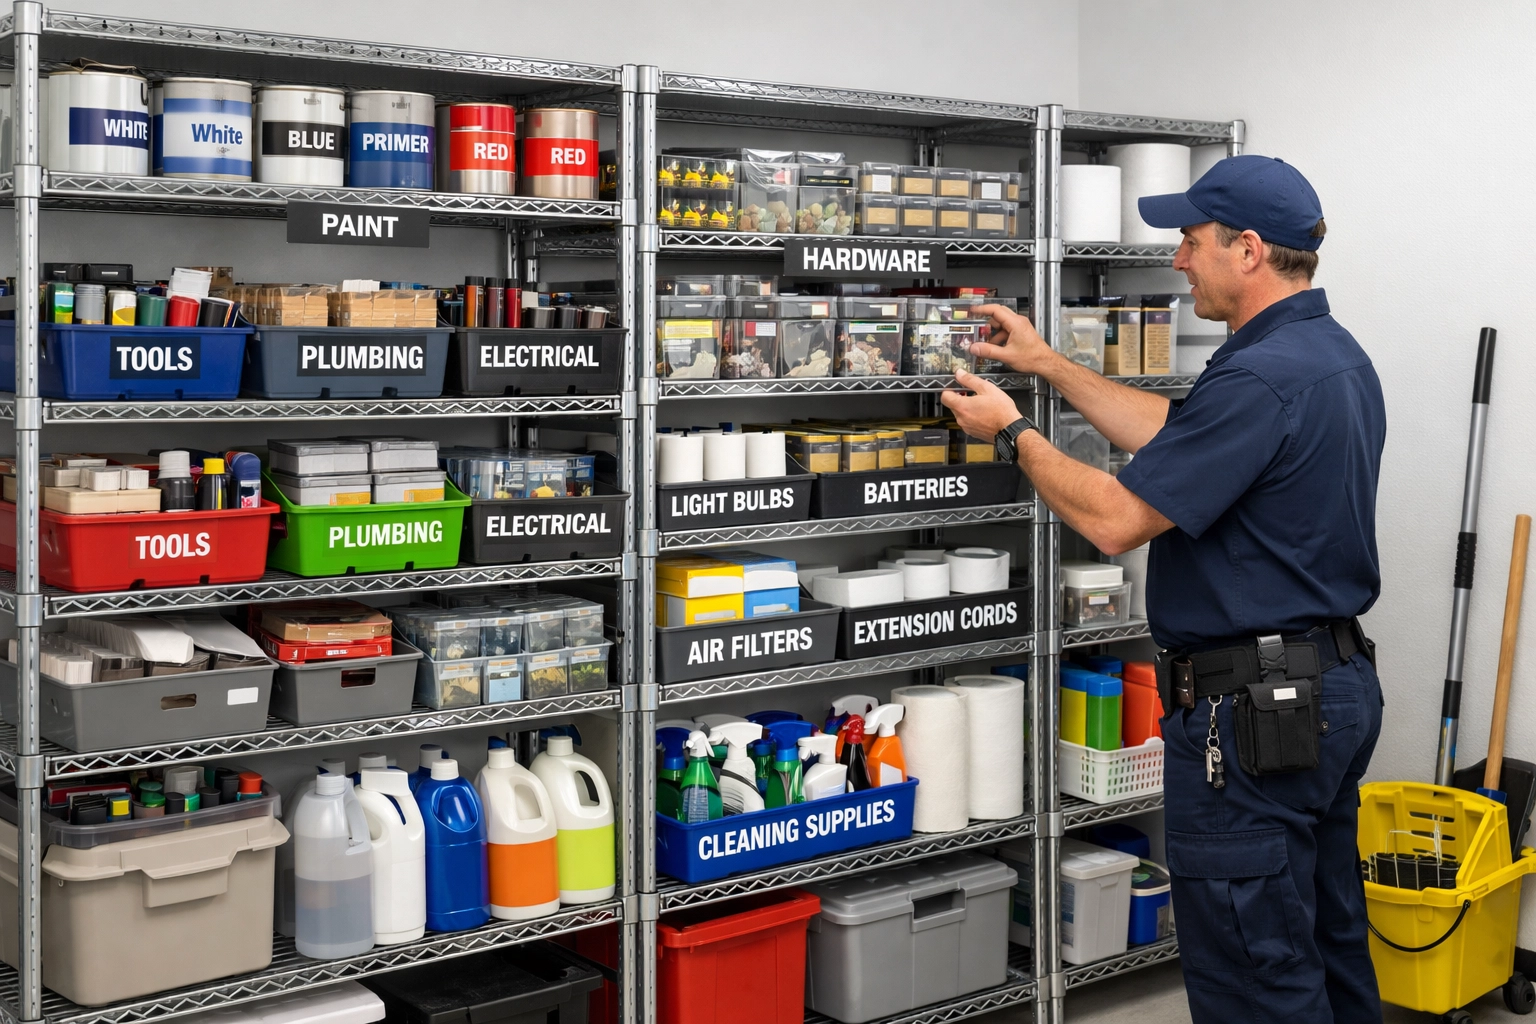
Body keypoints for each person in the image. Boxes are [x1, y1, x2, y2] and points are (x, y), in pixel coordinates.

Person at [942, 155, 1386, 1024]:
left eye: (1188, 240)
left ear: (1248, 249)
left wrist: (1014, 432)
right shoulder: (1323, 355)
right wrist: (1049, 365)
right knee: (1323, 941)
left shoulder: (1260, 374)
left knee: (1255, 970)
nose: (1178, 260)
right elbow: (1185, 436)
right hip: (1324, 690)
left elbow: (1113, 520)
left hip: (1251, 715)